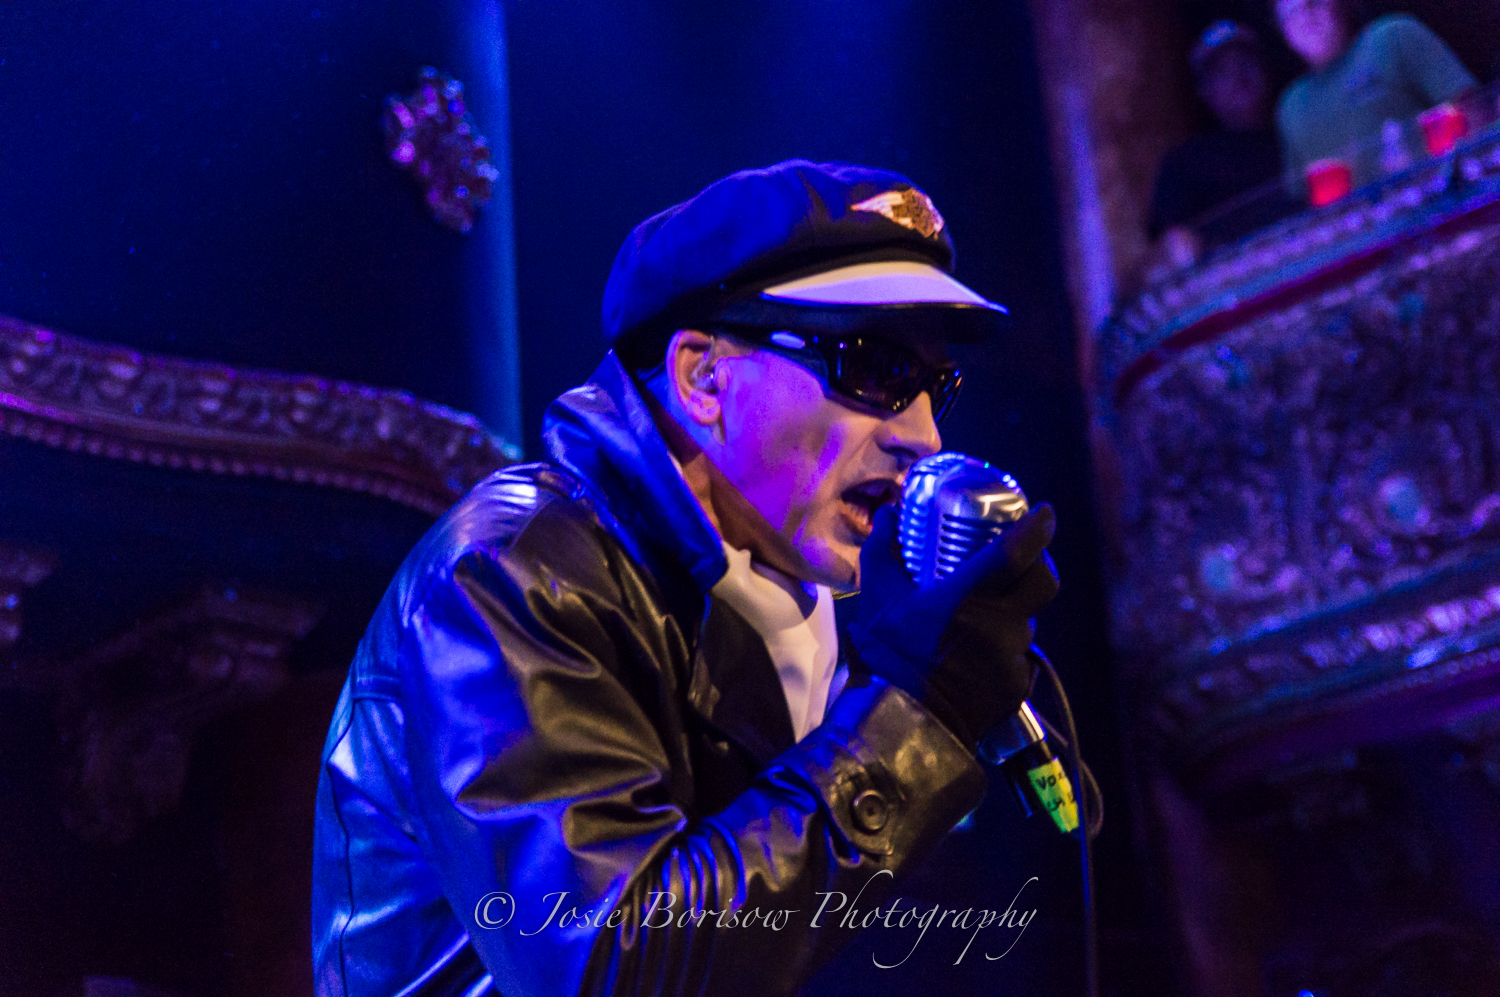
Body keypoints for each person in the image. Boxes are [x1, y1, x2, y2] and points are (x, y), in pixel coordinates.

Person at [310, 160, 1061, 996]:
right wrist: (913, 713)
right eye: (874, 369)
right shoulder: (513, 574)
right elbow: (608, 964)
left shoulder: (798, 597)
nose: (923, 437)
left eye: (934, 387)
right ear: (704, 375)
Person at [1274, 0, 1476, 187]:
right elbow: (1306, 197)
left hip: (1448, 194)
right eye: (1292, 13)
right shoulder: (1290, 107)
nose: (1306, 18)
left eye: (1314, 3)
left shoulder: (1394, 36)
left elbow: (1473, 109)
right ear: (1283, 31)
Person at [1148, 21, 1294, 267]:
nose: (1238, 76)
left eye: (1246, 63)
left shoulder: (1294, 128)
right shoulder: (1184, 163)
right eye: (1222, 71)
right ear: (1205, 91)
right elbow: (1173, 247)